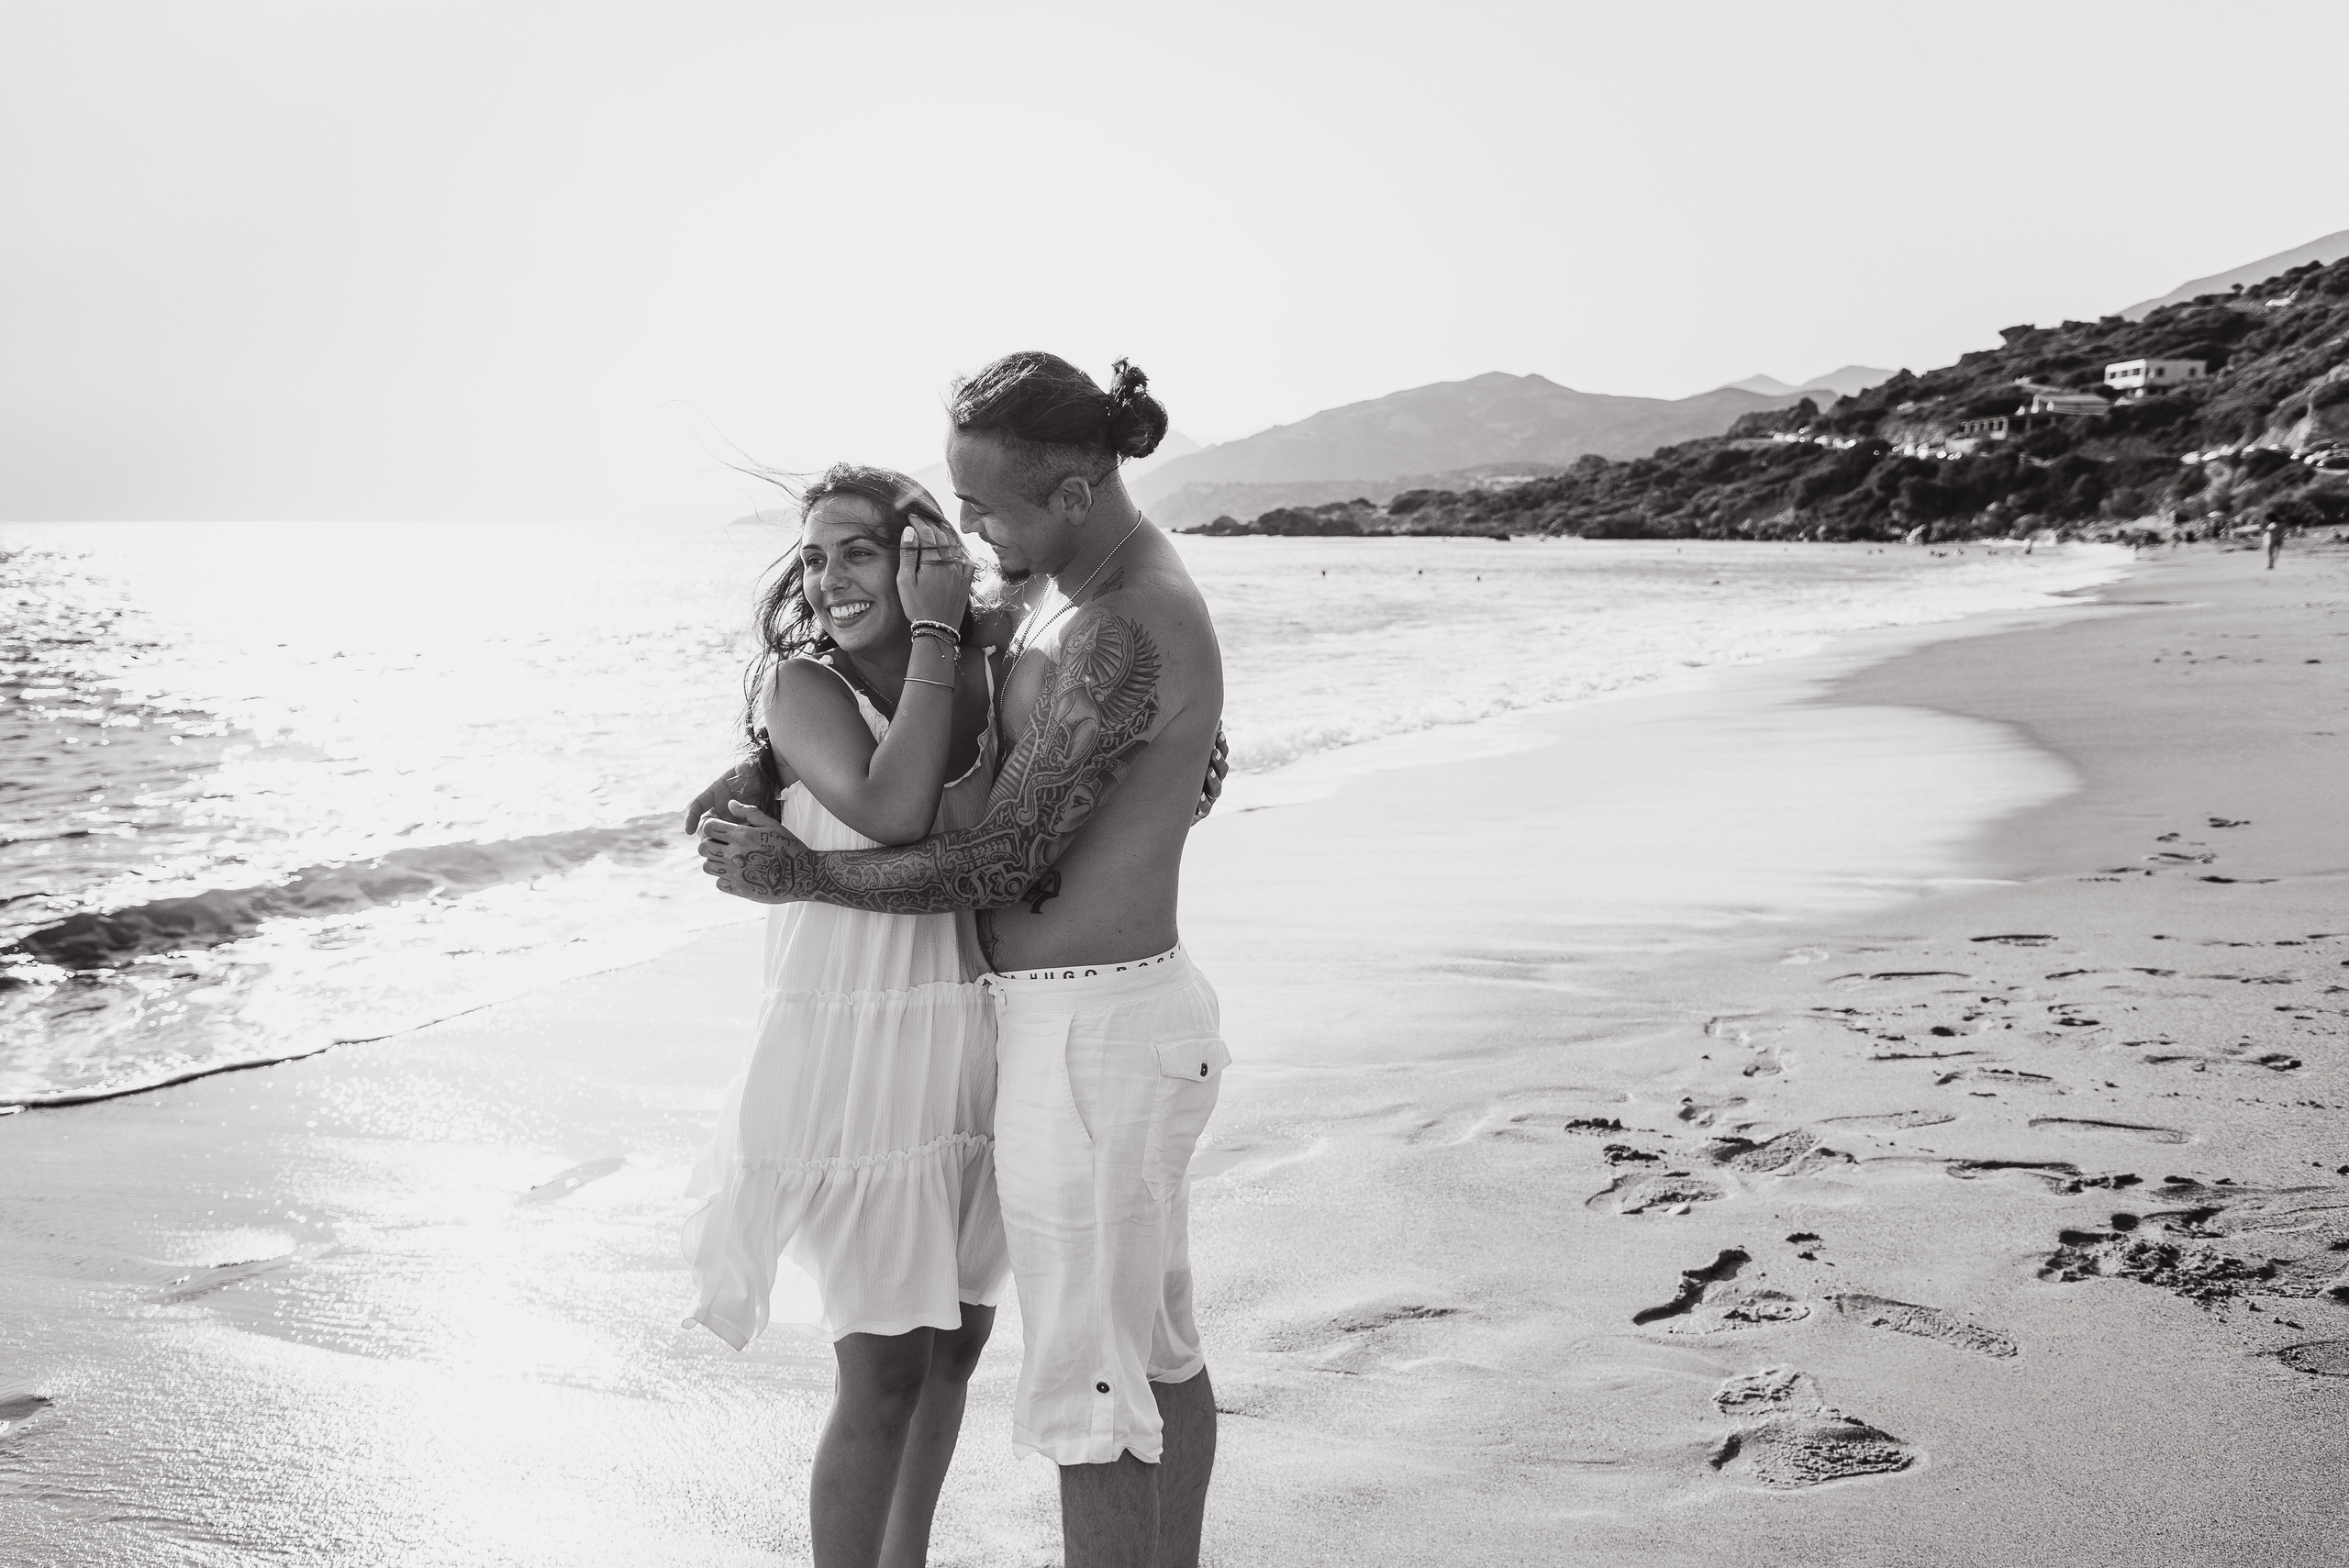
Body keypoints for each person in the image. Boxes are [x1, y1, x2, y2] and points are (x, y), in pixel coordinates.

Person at [696, 353, 1228, 1568]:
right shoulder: (1061, 599)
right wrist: (752, 769)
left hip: (1089, 1037)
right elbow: (1164, 762)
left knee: (1092, 1391)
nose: (973, 533)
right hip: (1056, 1029)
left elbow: (998, 855)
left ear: (1076, 494)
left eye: (981, 508)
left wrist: (806, 873)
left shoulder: (1109, 619)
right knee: (1149, 1355)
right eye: (956, 504)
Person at [679, 463, 1011, 1568]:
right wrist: (929, 637)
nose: (825, 581)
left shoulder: (993, 665)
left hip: (971, 1034)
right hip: (853, 1050)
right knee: (879, 1365)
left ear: (919, 551)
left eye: (854, 552)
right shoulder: (800, 688)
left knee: (956, 1341)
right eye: (813, 559)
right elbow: (888, 805)